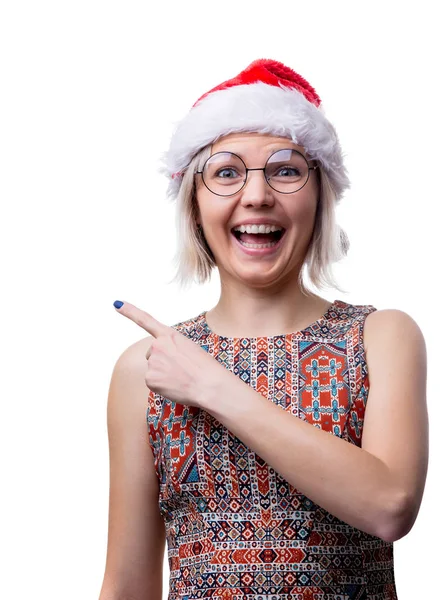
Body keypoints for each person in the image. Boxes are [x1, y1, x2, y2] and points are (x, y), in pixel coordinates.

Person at [99, 59, 428, 600]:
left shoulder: (381, 337)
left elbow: (389, 506)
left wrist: (212, 386)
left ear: (320, 196)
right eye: (226, 172)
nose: (256, 196)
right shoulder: (146, 368)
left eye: (285, 169)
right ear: (195, 204)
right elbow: (128, 584)